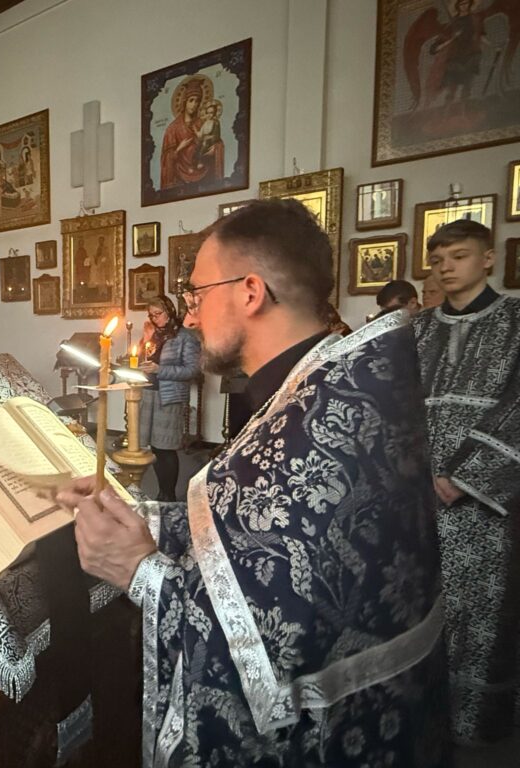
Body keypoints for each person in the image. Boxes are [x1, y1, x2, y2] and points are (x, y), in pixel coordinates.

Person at [59, 199, 449, 766]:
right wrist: (142, 515)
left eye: (196, 295)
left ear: (250, 291)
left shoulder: (313, 429)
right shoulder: (328, 388)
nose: (192, 316)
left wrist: (139, 572)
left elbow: (267, 646)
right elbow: (255, 527)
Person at [412, 219, 520, 747]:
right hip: (416, 495)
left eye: (458, 256)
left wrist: (465, 474)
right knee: (420, 601)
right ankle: (418, 713)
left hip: (485, 500)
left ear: (488, 259)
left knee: (480, 605)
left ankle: (474, 722)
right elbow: (394, 405)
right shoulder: (416, 330)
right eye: (438, 260)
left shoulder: (516, 322)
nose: (446, 268)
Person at [137, 295, 200, 502]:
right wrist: (145, 340)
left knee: (166, 447)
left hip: (169, 397)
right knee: (155, 448)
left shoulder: (185, 337)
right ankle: (161, 493)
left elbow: (191, 370)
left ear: (169, 311)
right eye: (151, 315)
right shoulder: (153, 335)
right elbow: (141, 359)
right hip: (149, 394)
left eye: (158, 313)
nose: (155, 319)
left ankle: (169, 495)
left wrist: (160, 370)